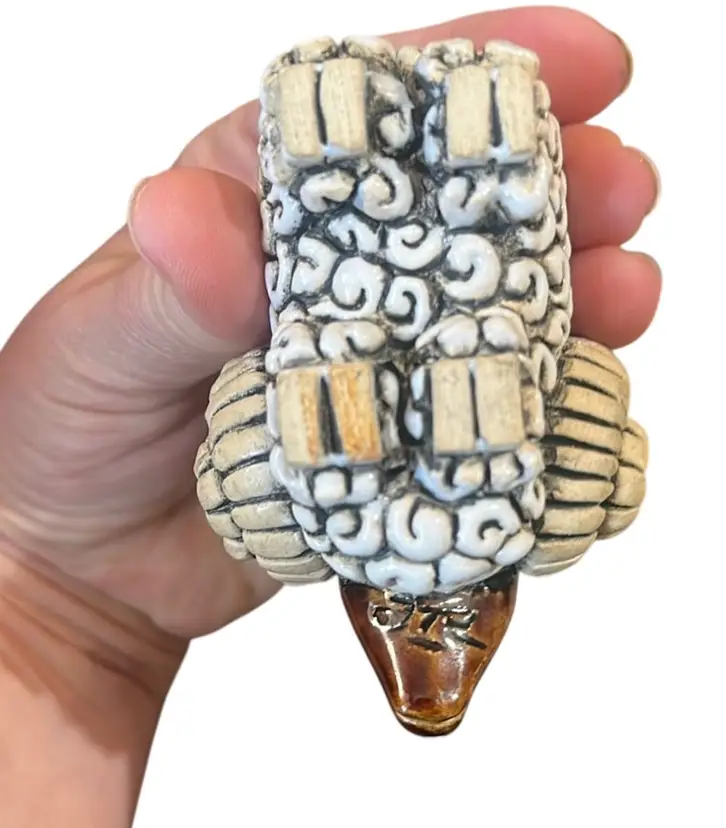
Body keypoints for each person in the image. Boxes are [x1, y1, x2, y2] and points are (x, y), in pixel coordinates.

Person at [0, 6, 660, 824]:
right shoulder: (476, 521)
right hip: (449, 297)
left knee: (363, 250)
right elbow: (586, 395)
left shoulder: (345, 527)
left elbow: (257, 411)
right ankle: (409, 145)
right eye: (448, 623)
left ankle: (370, 147)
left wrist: (48, 590)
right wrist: (42, 591)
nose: (426, 625)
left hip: (367, 290)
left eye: (399, 619)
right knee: (445, 225)